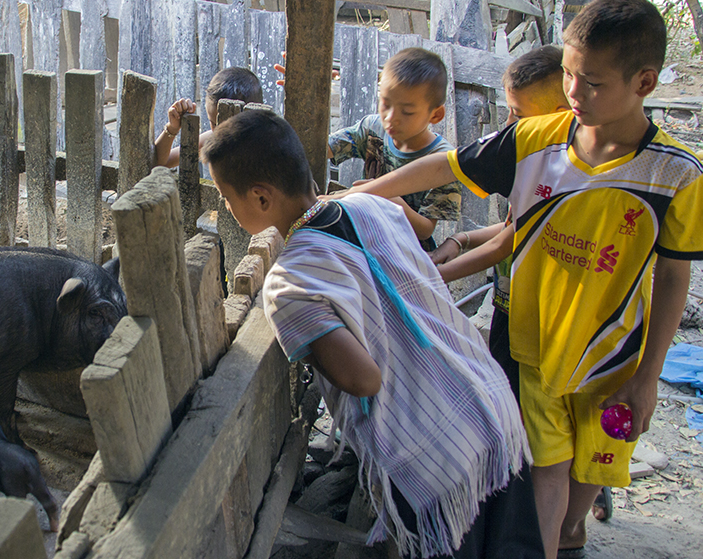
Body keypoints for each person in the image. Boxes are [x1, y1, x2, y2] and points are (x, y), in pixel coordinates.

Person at [347, 0, 703, 559]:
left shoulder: (675, 174)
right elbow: (448, 164)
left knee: (598, 463)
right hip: (535, 351)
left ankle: (572, 530)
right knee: (547, 469)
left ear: (645, 81)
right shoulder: (538, 139)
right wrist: (354, 195)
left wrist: (649, 375)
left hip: (614, 359)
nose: (574, 93)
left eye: (592, 82)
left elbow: (674, 278)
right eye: (567, 74)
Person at [201, 108, 542, 559]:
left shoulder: (289, 284)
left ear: (261, 198)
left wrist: (306, 346)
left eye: (227, 196)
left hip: (434, 453)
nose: (225, 205)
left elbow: (365, 380)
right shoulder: (372, 205)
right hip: (490, 404)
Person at [433, 45, 570, 396]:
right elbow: (513, 227)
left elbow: (504, 245)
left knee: (524, 405)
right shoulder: (536, 162)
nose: (509, 125)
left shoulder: (561, 173)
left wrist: (432, 276)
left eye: (518, 114)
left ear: (558, 115)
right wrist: (461, 240)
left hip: (538, 323)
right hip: (506, 306)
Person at [327, 47, 462, 251]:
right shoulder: (372, 129)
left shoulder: (444, 162)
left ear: (435, 115)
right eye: (385, 104)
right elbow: (323, 149)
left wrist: (390, 199)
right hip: (365, 237)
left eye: (407, 112)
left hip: (406, 251)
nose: (390, 118)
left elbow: (425, 230)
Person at [153, 66, 263, 168]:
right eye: (214, 123)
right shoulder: (212, 138)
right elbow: (159, 163)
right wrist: (172, 128)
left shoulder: (268, 145)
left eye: (228, 127)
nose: (219, 133)